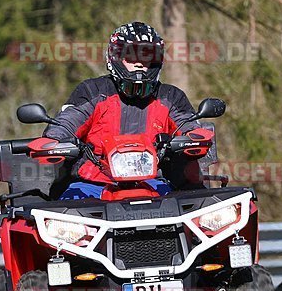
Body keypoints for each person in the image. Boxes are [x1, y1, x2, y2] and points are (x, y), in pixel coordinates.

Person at [43, 21, 202, 199]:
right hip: (92, 185)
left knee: (196, 213)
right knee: (65, 215)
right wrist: (55, 139)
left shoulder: (170, 96)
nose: (140, 64)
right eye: (132, 58)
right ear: (116, 58)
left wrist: (196, 137)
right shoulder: (93, 91)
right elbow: (68, 121)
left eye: (146, 58)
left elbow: (188, 125)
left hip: (153, 184)